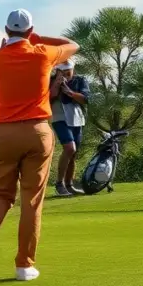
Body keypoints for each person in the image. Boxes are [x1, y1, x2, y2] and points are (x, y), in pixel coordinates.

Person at [0, 9, 78, 282]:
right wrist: (37, 37)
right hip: (37, 132)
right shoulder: (42, 52)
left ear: (6, 31)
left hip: (4, 134)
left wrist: (6, 48)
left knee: (2, 194)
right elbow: (73, 45)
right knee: (31, 200)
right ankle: (24, 266)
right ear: (30, 31)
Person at [50, 60, 91, 197]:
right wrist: (57, 83)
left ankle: (69, 184)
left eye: (69, 70)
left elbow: (85, 99)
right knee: (69, 148)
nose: (67, 73)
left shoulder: (80, 80)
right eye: (63, 71)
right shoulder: (51, 80)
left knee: (73, 155)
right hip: (59, 117)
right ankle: (59, 184)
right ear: (58, 71)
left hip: (76, 118)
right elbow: (50, 97)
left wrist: (70, 93)